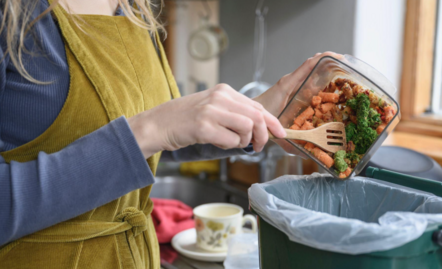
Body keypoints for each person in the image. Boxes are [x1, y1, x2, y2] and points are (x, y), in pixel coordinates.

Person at [0, 0, 338, 268]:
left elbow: (160, 142)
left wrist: (257, 112)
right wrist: (150, 128)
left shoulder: (135, 8)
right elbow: (148, 133)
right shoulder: (12, 13)